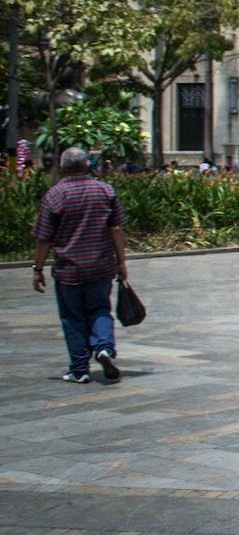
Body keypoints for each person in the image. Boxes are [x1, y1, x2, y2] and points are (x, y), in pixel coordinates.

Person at [31, 147, 130, 383]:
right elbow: (116, 229)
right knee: (100, 309)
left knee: (72, 317)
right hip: (100, 266)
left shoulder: (56, 195)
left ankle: (79, 369)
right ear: (88, 166)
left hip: (69, 269)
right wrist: (121, 262)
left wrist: (38, 269)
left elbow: (44, 237)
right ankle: (104, 347)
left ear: (63, 168)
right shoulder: (105, 190)